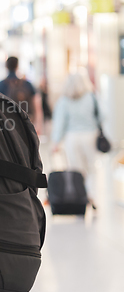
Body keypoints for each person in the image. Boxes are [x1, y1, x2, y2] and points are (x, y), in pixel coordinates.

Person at [51, 69, 100, 209]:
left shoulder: (64, 100)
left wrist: (56, 142)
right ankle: (92, 195)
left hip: (71, 138)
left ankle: (81, 197)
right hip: (90, 135)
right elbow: (102, 115)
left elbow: (60, 123)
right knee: (91, 168)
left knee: (76, 170)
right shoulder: (91, 97)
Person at [0, 56, 43, 132]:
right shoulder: (27, 85)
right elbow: (37, 107)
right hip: (25, 125)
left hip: (5, 127)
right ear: (17, 66)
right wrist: (38, 125)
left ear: (6, 66)